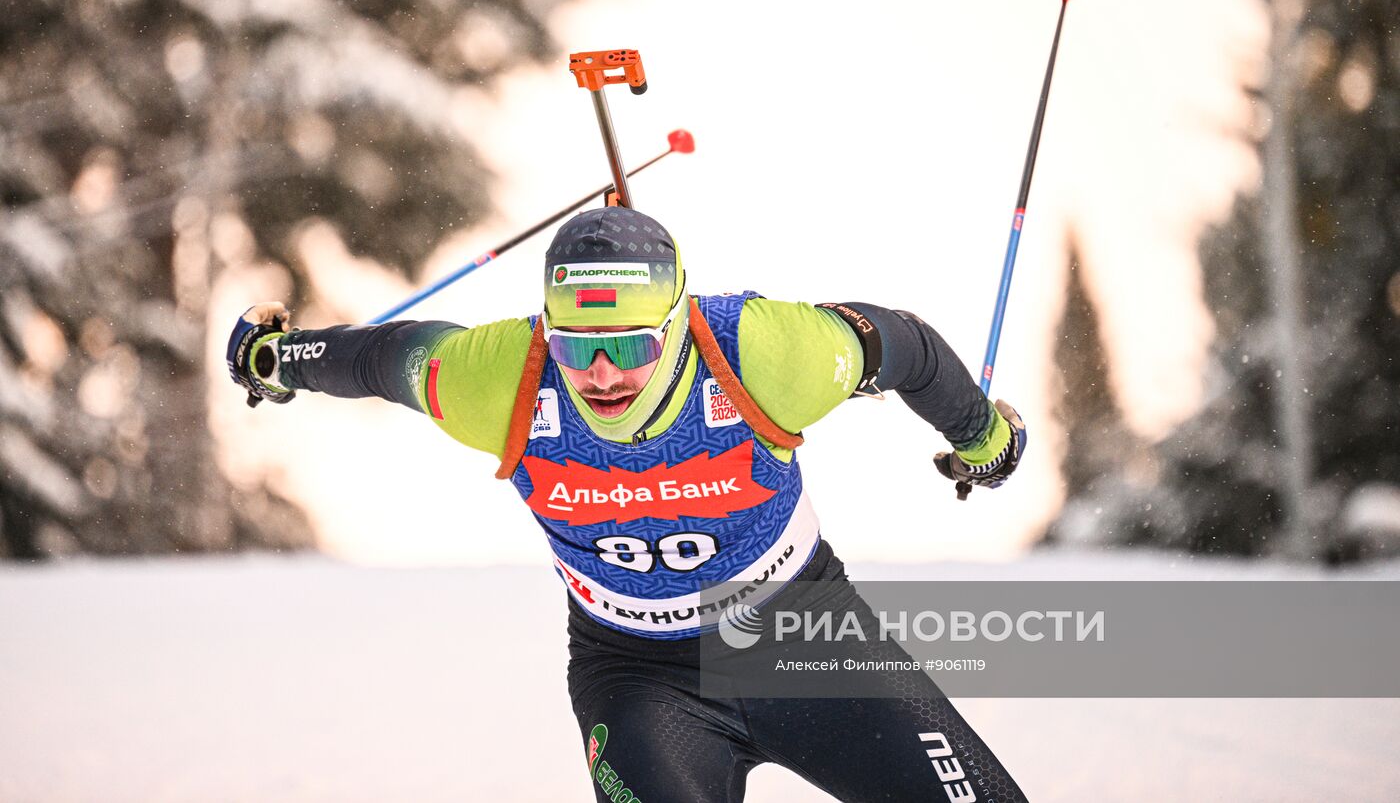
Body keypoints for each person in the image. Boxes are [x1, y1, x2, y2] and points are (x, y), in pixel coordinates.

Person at [226, 206, 1029, 801]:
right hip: (642, 679)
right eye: (577, 347)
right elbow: (381, 357)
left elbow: (905, 345)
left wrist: (983, 437)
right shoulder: (499, 377)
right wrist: (276, 358)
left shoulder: (763, 351)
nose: (602, 373)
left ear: (676, 325)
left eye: (630, 345)